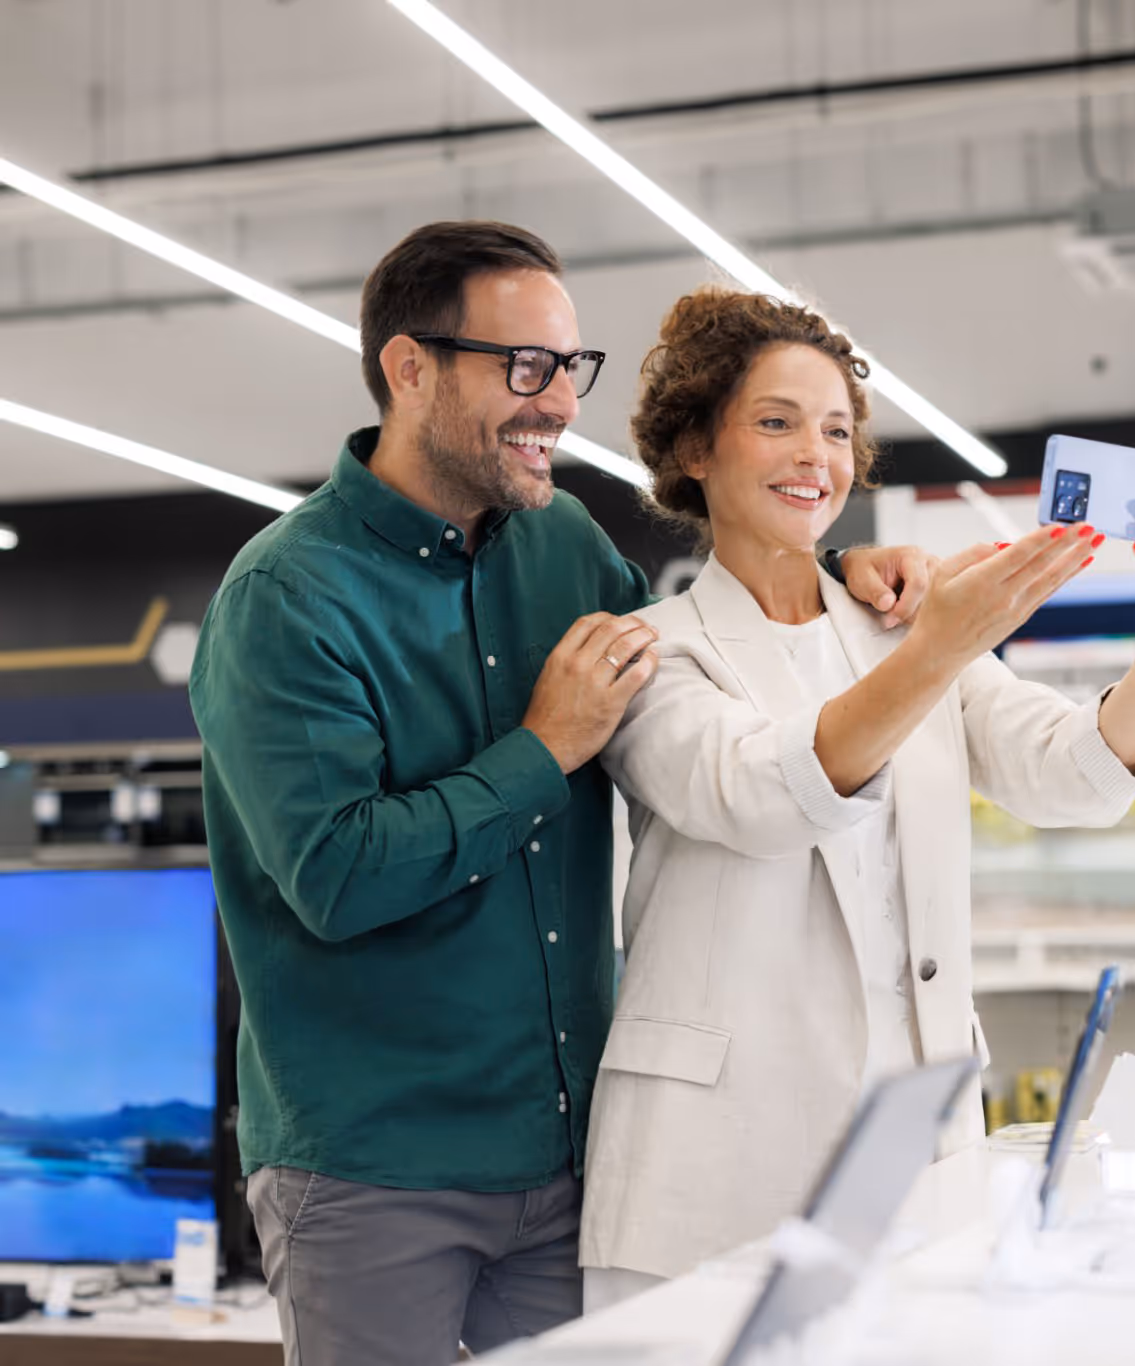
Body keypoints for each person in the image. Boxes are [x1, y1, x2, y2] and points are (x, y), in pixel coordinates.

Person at [188, 221, 932, 1366]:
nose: (558, 403)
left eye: (569, 369)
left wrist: (834, 578)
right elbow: (336, 874)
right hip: (374, 1171)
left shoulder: (568, 547)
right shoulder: (287, 597)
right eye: (523, 368)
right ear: (409, 366)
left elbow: (701, 659)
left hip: (572, 1155)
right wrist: (543, 748)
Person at [579, 287, 1135, 1308]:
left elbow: (1068, 772)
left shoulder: (897, 628)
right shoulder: (657, 653)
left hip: (912, 1162)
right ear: (692, 447)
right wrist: (939, 646)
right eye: (776, 422)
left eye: (837, 430)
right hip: (710, 1175)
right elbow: (763, 793)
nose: (817, 455)